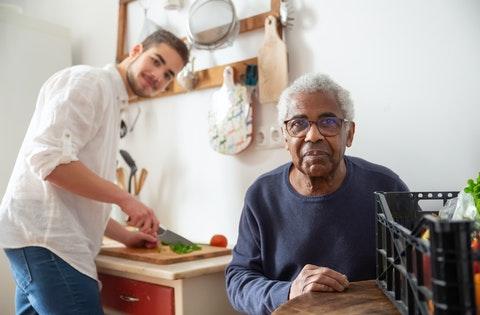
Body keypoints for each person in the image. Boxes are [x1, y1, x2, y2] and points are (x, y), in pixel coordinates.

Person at [0, 29, 189, 314]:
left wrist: (124, 236)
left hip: (40, 240)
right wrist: (125, 198)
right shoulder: (91, 82)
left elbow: (72, 192)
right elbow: (48, 161)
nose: (159, 76)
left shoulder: (111, 100)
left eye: (169, 75)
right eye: (157, 61)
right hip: (49, 244)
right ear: (135, 50)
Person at [225, 73, 409, 315]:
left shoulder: (387, 187)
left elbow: (418, 272)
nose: (313, 136)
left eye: (328, 122)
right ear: (285, 137)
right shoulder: (262, 196)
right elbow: (238, 280)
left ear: (349, 133)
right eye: (298, 124)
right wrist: (290, 292)